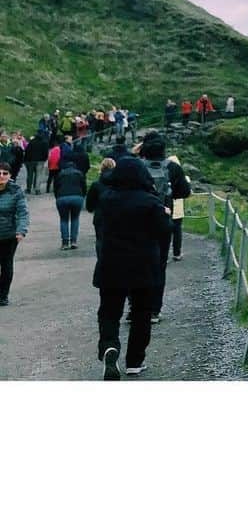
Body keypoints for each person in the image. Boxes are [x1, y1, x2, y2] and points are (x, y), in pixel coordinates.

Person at [93, 157, 172, 378]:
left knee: (109, 312)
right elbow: (164, 231)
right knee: (141, 313)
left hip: (111, 264)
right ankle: (135, 361)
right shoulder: (150, 201)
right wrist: (164, 215)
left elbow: (98, 226)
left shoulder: (106, 199)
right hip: (143, 265)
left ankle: (110, 346)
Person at [137, 132, 191, 324]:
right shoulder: (173, 167)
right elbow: (185, 191)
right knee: (159, 266)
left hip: (138, 222)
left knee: (136, 264)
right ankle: (153, 310)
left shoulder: (137, 166)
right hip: (162, 220)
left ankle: (135, 307)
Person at [0, 161, 29, 306]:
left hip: (8, 236)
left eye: (5, 173)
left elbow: (23, 212)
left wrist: (21, 230)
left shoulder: (16, 191)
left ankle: (3, 295)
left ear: (10, 175)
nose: (1, 176)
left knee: (6, 265)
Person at [85, 156, 116, 260]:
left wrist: (90, 209)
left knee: (100, 239)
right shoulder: (118, 183)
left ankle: (101, 260)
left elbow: (90, 202)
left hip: (100, 215)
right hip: (116, 214)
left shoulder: (96, 185)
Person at [53, 157, 87, 249]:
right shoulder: (79, 174)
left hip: (62, 197)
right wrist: (82, 196)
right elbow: (84, 187)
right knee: (75, 219)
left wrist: (57, 197)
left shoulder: (60, 174)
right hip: (77, 197)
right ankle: (73, 241)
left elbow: (55, 187)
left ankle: (64, 243)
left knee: (64, 220)